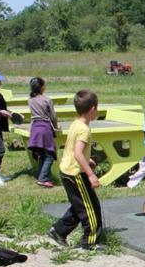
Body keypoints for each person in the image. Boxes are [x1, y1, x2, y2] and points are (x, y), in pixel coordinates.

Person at [47, 90, 104, 250]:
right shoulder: (84, 129)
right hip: (76, 174)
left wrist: (88, 160)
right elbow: (78, 153)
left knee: (80, 205)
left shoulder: (76, 123)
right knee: (90, 208)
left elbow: (72, 148)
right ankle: (90, 241)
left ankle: (58, 231)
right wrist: (91, 174)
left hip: (68, 171)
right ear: (93, 109)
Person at [26, 77, 60, 188]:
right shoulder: (47, 100)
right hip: (45, 128)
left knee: (42, 154)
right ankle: (43, 178)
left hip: (35, 127)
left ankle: (40, 176)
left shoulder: (30, 100)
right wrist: (56, 126)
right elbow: (53, 116)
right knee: (49, 155)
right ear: (42, 87)